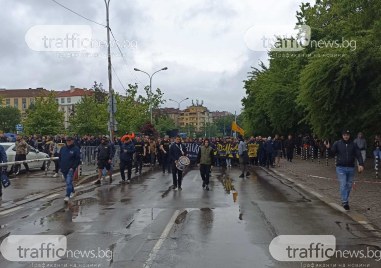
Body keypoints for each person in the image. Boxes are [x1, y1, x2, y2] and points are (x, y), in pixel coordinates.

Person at [325, 130, 364, 211]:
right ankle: (345, 201)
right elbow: (332, 154)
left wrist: (361, 164)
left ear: (349, 136)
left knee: (349, 185)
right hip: (340, 168)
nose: (346, 136)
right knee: (343, 184)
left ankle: (345, 199)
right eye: (344, 135)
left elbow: (358, 154)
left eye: (347, 135)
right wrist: (328, 148)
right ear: (342, 135)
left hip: (351, 168)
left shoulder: (353, 144)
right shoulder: (337, 143)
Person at [59, 136, 81, 202]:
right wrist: (60, 166)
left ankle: (67, 195)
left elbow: (77, 159)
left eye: (69, 141)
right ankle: (73, 191)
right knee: (68, 181)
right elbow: (60, 157)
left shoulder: (76, 149)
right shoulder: (63, 148)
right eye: (67, 141)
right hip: (63, 168)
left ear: (72, 141)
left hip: (70, 168)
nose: (68, 142)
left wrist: (73, 167)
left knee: (68, 182)